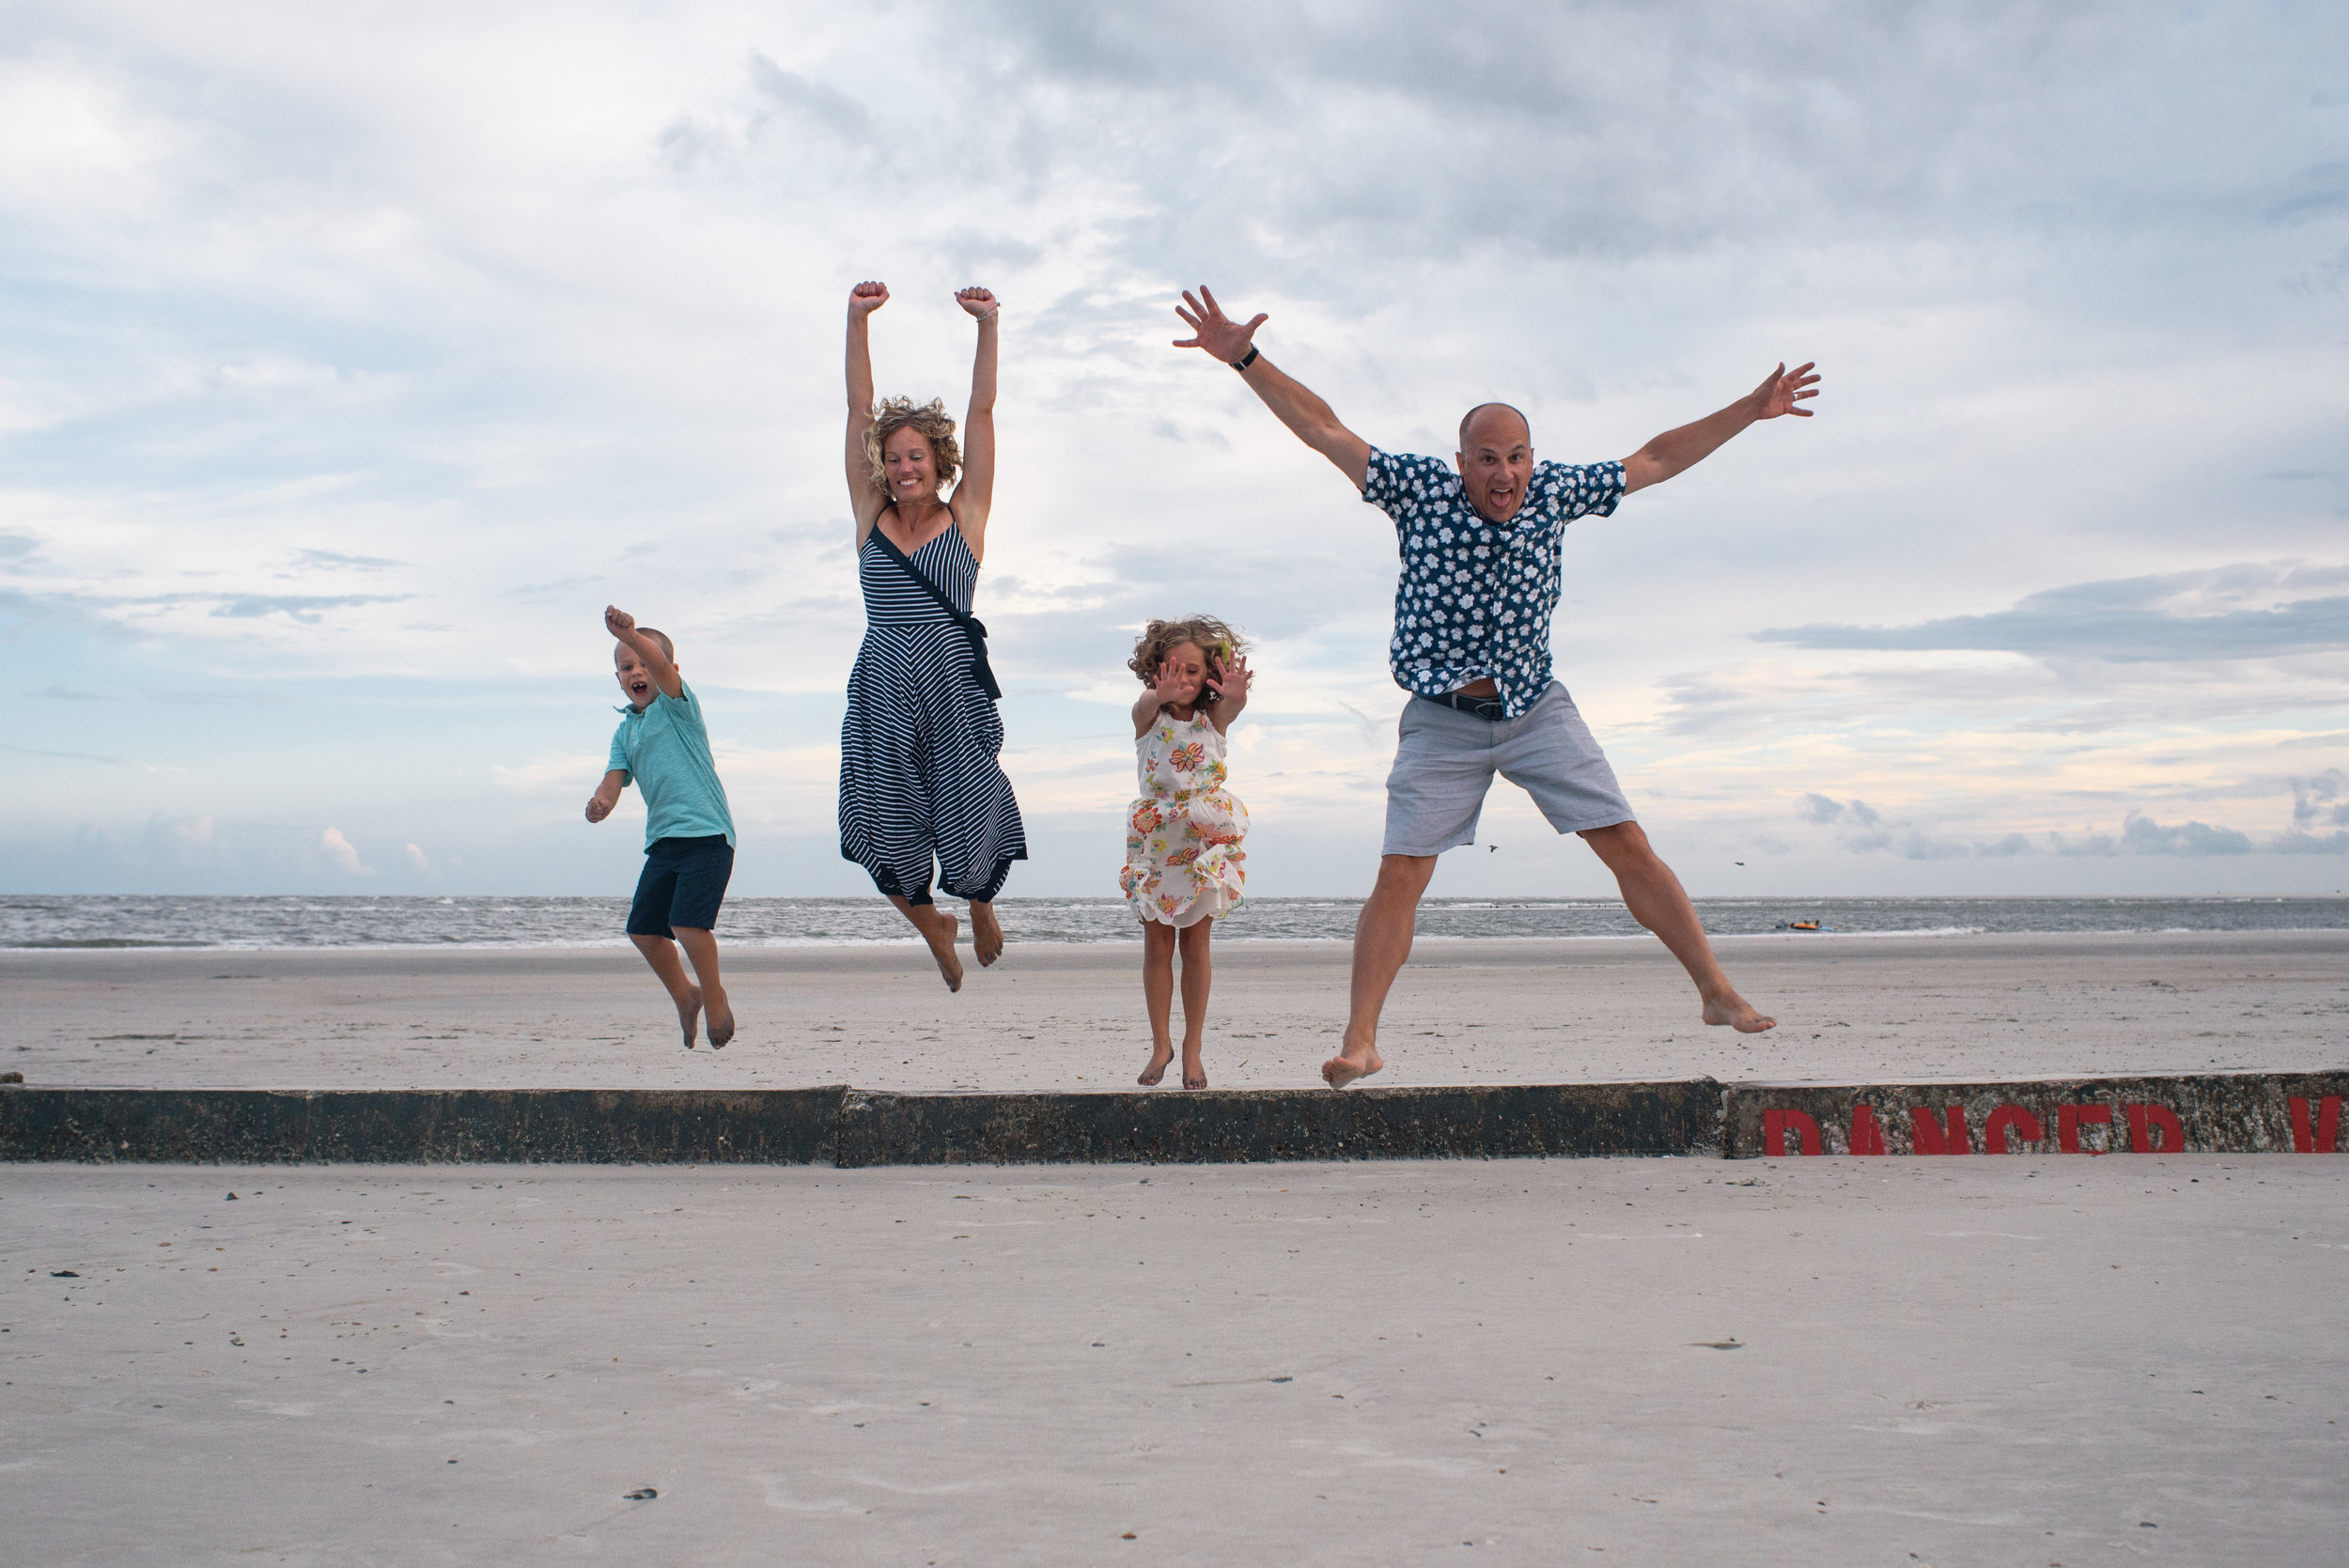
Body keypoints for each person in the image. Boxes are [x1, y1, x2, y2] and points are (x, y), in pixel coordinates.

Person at [1173, 286, 1821, 1088]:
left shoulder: (1556, 495)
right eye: (1487, 457)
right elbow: (1324, 429)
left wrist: (1747, 410)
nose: (1504, 472)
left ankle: (1716, 991)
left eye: (1516, 456)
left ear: (1532, 462)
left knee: (1625, 842)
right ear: (1462, 463)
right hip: (1442, 718)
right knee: (1401, 871)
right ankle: (1362, 1039)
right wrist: (1243, 356)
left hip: (1535, 705)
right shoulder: (1418, 492)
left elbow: (1655, 459)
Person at [840, 280, 1027, 992]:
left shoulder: (967, 514)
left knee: (967, 798)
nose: (903, 467)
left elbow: (982, 408)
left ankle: (977, 903)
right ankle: (933, 926)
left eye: (915, 456)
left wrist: (987, 326)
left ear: (937, 459)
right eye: (893, 458)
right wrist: (856, 320)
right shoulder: (869, 514)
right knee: (877, 818)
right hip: (883, 685)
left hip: (951, 683)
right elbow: (859, 407)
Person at [584, 606, 738, 1049]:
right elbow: (614, 777)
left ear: (666, 669)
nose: (635, 670)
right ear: (617, 680)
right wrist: (602, 803)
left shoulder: (677, 706)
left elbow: (655, 662)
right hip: (664, 843)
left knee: (688, 926)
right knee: (644, 930)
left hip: (708, 837)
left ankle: (713, 995)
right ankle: (685, 996)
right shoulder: (625, 730)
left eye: (642, 663)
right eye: (625, 666)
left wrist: (632, 636)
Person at [1120, 617, 1253, 1090]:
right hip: (1158, 840)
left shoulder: (1211, 720)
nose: (1183, 680)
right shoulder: (1147, 718)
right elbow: (1143, 704)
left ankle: (1192, 1050)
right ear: (1155, 670)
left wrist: (1234, 693)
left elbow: (1232, 706)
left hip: (1201, 841)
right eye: (1172, 669)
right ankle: (1161, 1044)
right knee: (1157, 945)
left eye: (1193, 671)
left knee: (1196, 946)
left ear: (1209, 675)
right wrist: (1159, 694)